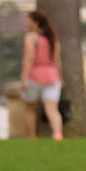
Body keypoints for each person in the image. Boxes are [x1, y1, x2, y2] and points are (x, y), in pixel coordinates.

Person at [22, 8, 65, 141]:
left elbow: (29, 58)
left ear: (35, 22)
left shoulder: (31, 37)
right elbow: (57, 60)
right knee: (52, 109)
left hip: (35, 75)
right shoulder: (52, 38)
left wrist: (24, 78)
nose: (27, 22)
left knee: (30, 107)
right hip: (52, 76)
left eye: (28, 19)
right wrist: (60, 78)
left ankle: (32, 136)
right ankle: (57, 134)